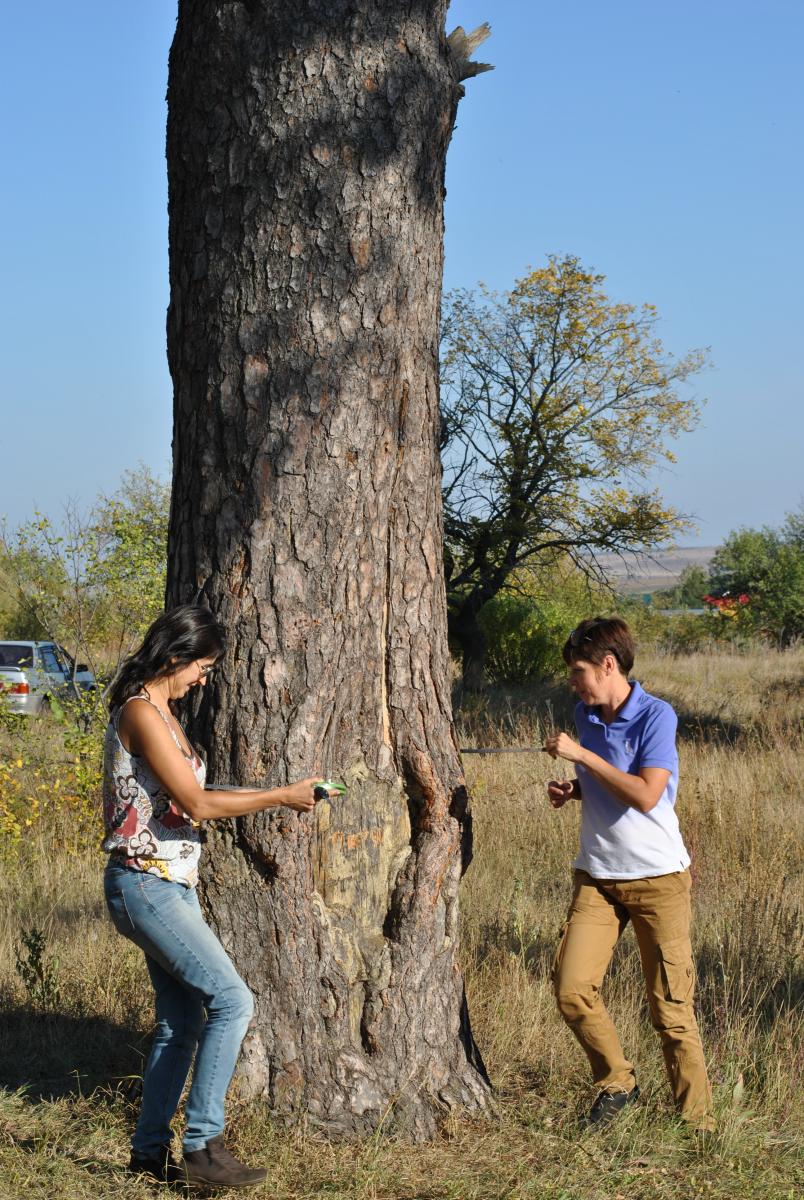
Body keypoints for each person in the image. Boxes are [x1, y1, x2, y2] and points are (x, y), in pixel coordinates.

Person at [102, 605, 328, 1189]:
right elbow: (199, 807)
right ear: (175, 657)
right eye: (202, 665)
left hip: (170, 884)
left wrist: (285, 791)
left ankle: (148, 1155)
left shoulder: (165, 715)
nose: (205, 677)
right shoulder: (142, 713)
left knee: (181, 1025)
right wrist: (280, 797)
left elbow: (195, 792)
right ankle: (202, 1146)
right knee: (233, 1001)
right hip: (146, 884)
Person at [545, 616, 714, 1132]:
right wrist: (573, 788)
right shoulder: (585, 712)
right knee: (572, 987)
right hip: (597, 876)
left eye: (579, 671)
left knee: (670, 1008)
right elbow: (605, 778)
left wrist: (581, 757)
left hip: (657, 879)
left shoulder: (656, 717)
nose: (573, 683)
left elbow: (645, 794)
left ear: (609, 665)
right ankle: (618, 1082)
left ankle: (698, 1126)